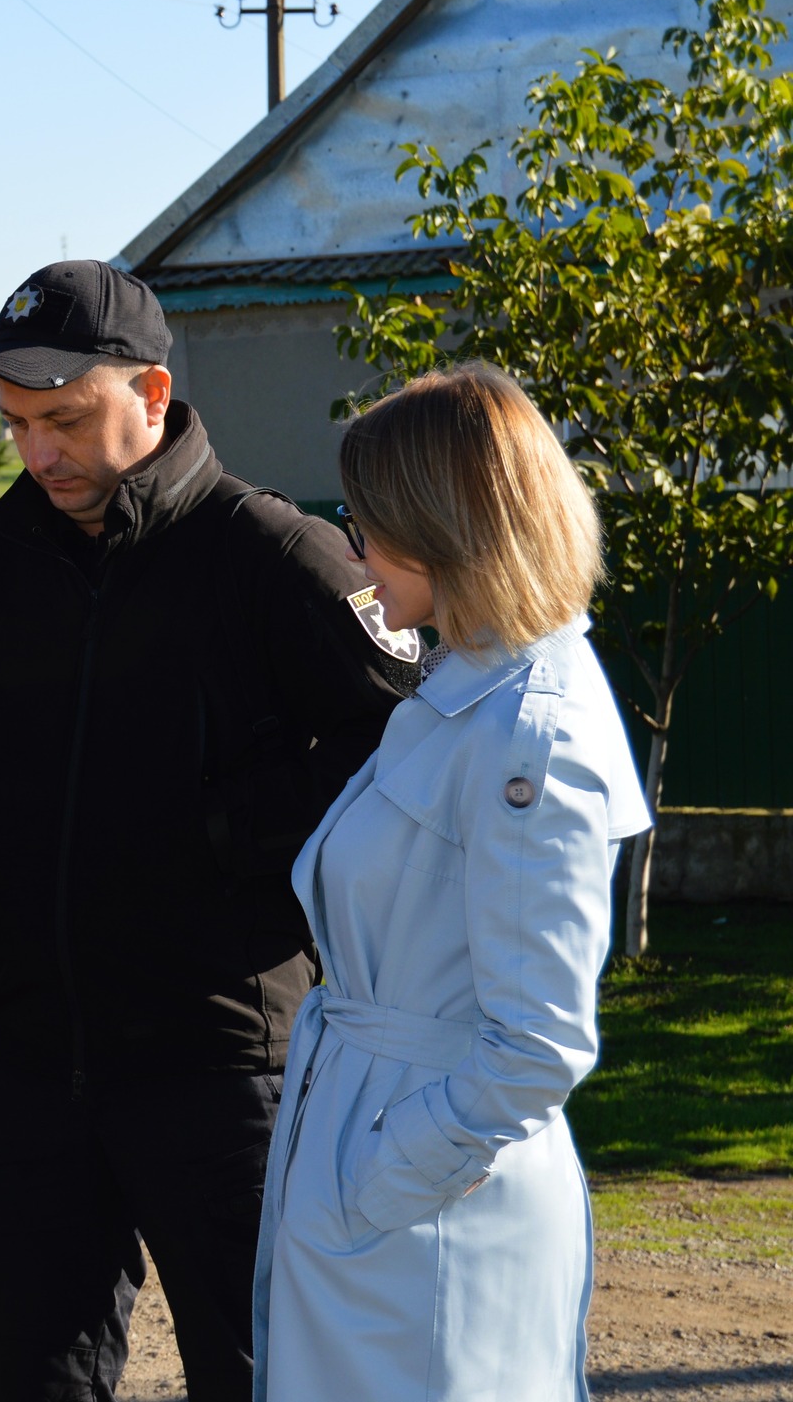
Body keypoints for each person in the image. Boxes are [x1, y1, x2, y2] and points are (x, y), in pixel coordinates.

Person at [0, 260, 419, 1402]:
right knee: (41, 1380)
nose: (38, 453)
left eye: (65, 420)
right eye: (18, 425)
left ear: (153, 394)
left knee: (263, 1373)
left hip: (222, 1066)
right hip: (32, 1059)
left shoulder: (272, 556)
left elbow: (400, 757)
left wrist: (218, 833)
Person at [252, 364, 651, 1401]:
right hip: (380, 1166)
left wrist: (379, 1176)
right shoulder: (465, 687)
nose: (349, 547)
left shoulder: (530, 728)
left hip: (427, 1208)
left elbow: (540, 1042)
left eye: (366, 520)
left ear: (445, 524)